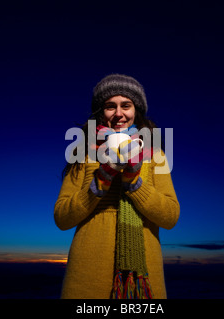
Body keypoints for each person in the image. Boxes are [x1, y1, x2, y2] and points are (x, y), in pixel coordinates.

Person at [54, 74, 180, 299]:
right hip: (87, 276)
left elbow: (170, 216)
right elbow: (62, 218)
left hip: (144, 277)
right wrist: (100, 181)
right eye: (110, 106)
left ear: (136, 110)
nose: (119, 113)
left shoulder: (156, 156)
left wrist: (134, 183)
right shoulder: (83, 154)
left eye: (126, 106)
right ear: (100, 112)